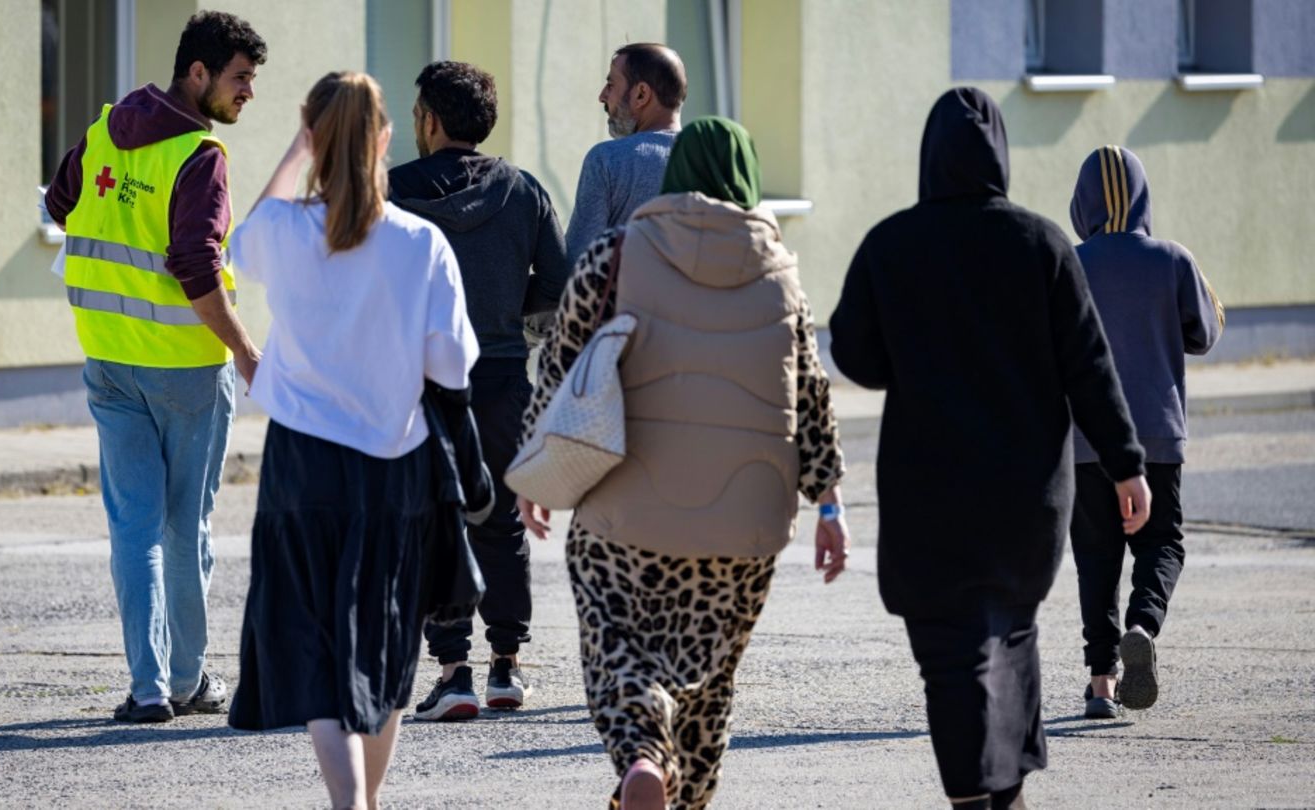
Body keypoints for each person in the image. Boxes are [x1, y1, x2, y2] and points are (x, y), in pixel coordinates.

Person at [828, 89, 1152, 810]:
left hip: (928, 493)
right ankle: (1005, 790)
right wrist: (1127, 464)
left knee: (950, 654)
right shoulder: (1042, 245)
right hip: (1025, 495)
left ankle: (976, 795)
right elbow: (1089, 367)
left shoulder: (890, 244)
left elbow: (855, 355)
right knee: (1013, 632)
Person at [518, 117, 851, 810]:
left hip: (625, 516)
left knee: (619, 642)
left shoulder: (614, 256)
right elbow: (813, 396)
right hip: (745, 530)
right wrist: (829, 504)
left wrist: (535, 471)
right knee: (709, 677)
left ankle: (641, 750)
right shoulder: (782, 276)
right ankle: (688, 793)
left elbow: (559, 367)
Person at [224, 71, 481, 810]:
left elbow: (242, 239)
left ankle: (348, 800)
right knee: (387, 633)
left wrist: (296, 153)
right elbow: (451, 365)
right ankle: (369, 796)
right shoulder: (420, 243)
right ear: (386, 140)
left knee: (308, 635)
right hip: (392, 463)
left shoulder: (284, 232)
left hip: (301, 462)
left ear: (315, 136)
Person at [44, 10, 266, 724]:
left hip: (108, 358)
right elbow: (196, 265)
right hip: (186, 371)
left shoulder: (104, 131)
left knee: (134, 528)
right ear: (196, 74)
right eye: (239, 79)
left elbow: (59, 204)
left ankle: (146, 688)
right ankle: (189, 681)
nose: (247, 95)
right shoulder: (199, 157)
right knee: (184, 527)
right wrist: (245, 349)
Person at [387, 60, 568, 720]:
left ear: (431, 121)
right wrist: (501, 311)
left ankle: (453, 672)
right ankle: (506, 668)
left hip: (417, 379)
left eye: (416, 115)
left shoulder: (390, 190)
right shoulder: (522, 190)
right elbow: (558, 280)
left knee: (437, 521)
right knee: (499, 521)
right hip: (498, 376)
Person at [1067, 145, 1224, 719]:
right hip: (1157, 434)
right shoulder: (1173, 259)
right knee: (1161, 543)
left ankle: (1102, 684)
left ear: (1081, 201)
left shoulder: (1069, 261)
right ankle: (1143, 624)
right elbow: (1205, 333)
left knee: (1096, 557)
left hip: (1086, 441)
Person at [563, 43, 687, 264]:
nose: (602, 97)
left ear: (641, 94)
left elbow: (577, 263)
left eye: (610, 84)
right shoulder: (710, 164)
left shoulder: (606, 160)